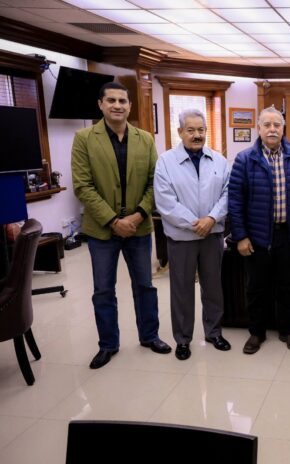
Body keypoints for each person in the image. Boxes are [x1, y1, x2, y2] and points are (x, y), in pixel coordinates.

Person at [71, 82, 171, 369]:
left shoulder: (145, 139)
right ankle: (108, 344)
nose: (117, 105)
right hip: (102, 230)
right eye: (111, 100)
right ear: (100, 104)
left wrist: (138, 215)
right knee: (103, 290)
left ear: (129, 105)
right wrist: (114, 221)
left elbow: (155, 182)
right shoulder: (84, 138)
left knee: (145, 286)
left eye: (122, 101)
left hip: (139, 228)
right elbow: (82, 186)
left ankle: (150, 336)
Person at [228, 107, 290, 354]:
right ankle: (257, 332)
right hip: (256, 237)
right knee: (256, 287)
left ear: (283, 129)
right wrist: (241, 236)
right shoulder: (245, 159)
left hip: (288, 234)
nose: (272, 129)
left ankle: (288, 331)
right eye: (267, 125)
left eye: (277, 125)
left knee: (288, 286)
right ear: (259, 128)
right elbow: (235, 201)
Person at [154, 108, 232, 361]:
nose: (197, 135)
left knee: (213, 287)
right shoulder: (166, 162)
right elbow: (165, 201)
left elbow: (228, 194)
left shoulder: (219, 160)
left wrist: (211, 219)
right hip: (181, 238)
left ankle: (214, 332)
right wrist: (194, 223)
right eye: (191, 130)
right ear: (180, 132)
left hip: (212, 235)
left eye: (201, 130)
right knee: (182, 290)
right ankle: (183, 339)